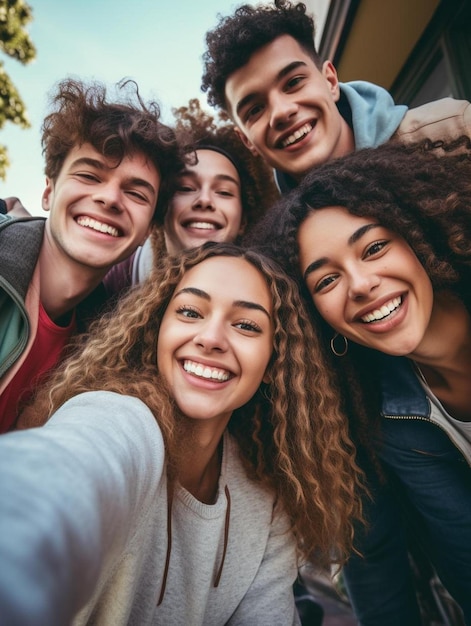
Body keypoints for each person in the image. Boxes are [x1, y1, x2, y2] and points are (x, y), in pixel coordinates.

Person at [0, 242, 365, 625]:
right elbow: (59, 477)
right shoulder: (117, 417)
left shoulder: (267, 494)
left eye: (246, 325)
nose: (210, 338)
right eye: (190, 312)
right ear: (157, 328)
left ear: (275, 358)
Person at [247, 139, 471, 625]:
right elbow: (383, 565)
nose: (362, 284)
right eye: (326, 281)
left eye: (373, 248)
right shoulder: (376, 418)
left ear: (418, 234)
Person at [0, 77, 185, 434]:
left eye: (137, 193)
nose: (110, 198)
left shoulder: (108, 343)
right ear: (48, 193)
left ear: (148, 230)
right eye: (89, 175)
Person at [201, 0, 471, 194]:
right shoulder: (279, 244)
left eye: (293, 82)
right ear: (247, 140)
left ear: (330, 80)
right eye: (255, 109)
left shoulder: (456, 132)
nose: (282, 111)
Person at [103, 98, 279, 294]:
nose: (204, 200)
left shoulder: (269, 293)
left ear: (244, 220)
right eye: (186, 188)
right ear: (160, 208)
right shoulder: (116, 278)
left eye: (223, 192)